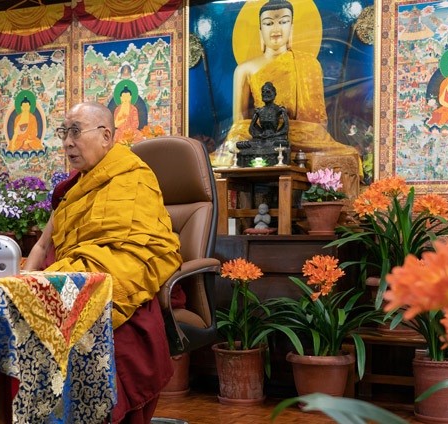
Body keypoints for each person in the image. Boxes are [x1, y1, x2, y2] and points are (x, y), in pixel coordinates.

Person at [24, 101, 182, 424]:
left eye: (76, 132)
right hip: (78, 275)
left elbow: (139, 255)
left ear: (107, 136)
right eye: (64, 133)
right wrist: (21, 284)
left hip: (122, 282)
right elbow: (42, 244)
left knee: (95, 329)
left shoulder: (134, 177)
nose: (67, 142)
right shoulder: (73, 190)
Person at [214, 0, 360, 169]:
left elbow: (318, 123)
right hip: (259, 140)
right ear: (260, 30)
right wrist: (259, 136)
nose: (276, 29)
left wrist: (292, 132)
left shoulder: (309, 64)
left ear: (291, 27)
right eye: (269, 23)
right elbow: (239, 123)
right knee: (220, 161)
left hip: (305, 139)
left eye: (283, 22)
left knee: (349, 158)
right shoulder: (244, 69)